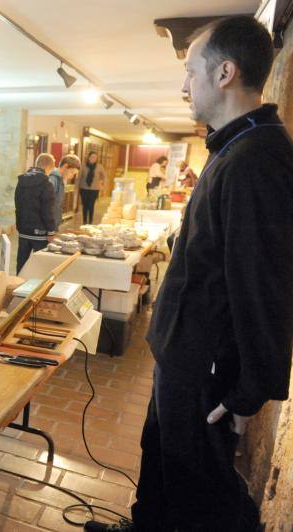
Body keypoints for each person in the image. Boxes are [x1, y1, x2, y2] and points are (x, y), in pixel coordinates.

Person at [85, 15, 293, 532]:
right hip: (183, 355)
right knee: (159, 457)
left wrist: (249, 391)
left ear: (225, 72)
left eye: (189, 71)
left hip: (208, 367)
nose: (183, 86)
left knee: (197, 488)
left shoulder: (257, 159)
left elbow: (265, 284)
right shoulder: (233, 147)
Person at [15, 153, 57, 273]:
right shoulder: (46, 183)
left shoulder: (21, 181)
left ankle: (18, 285)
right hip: (40, 232)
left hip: (23, 230)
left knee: (22, 263)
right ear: (49, 167)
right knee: (40, 265)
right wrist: (51, 230)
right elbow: (48, 209)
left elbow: (18, 204)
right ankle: (36, 289)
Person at [48, 153, 81, 229]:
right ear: (65, 166)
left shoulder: (60, 179)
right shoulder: (53, 179)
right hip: (48, 224)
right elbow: (47, 203)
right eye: (72, 172)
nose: (72, 176)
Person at [76, 152, 105, 225]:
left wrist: (101, 185)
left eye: (95, 157)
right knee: (85, 205)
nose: (93, 158)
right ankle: (84, 221)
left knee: (91, 205)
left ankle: (90, 221)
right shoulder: (83, 166)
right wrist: (76, 187)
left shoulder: (99, 167)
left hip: (94, 189)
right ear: (88, 157)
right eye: (92, 157)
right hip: (84, 188)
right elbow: (79, 177)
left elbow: (104, 176)